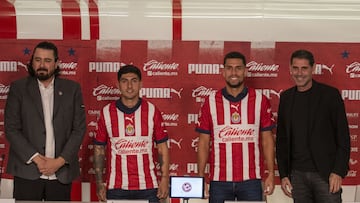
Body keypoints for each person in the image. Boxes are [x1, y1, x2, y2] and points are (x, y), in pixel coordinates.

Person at [4, 41, 86, 200]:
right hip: (27, 172)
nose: (42, 64)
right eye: (37, 60)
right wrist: (36, 159)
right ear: (32, 61)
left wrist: (59, 161)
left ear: (56, 63)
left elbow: (79, 129)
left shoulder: (72, 89)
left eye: (47, 60)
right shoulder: (18, 88)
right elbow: (11, 129)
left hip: (61, 173)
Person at [196, 51, 276, 203]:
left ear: (245, 71)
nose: (234, 72)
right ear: (223, 72)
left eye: (238, 68)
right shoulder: (210, 102)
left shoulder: (260, 100)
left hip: (251, 180)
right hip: (219, 181)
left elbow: (267, 140)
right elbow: (203, 142)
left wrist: (271, 173)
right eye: (229, 68)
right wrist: (201, 175)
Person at [276, 49, 350, 203]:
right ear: (290, 69)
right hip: (297, 176)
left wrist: (338, 171)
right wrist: (283, 174)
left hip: (326, 175)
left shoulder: (330, 95)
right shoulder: (286, 98)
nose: (299, 73)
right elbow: (282, 140)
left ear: (313, 68)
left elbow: (343, 137)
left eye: (304, 68)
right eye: (295, 68)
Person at [93, 65, 169, 203]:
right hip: (116, 188)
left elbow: (163, 147)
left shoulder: (152, 111)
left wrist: (164, 179)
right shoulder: (106, 113)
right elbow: (99, 150)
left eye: (134, 81)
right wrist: (99, 183)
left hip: (149, 187)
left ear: (141, 84)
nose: (129, 86)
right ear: (118, 85)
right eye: (124, 81)